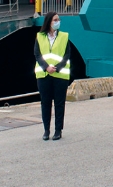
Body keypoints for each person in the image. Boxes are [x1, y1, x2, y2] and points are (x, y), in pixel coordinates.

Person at [34, 12, 71, 141]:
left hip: (60, 74)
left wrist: (57, 68)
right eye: (55, 20)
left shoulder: (64, 36)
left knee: (59, 103)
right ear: (49, 21)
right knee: (46, 103)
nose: (58, 22)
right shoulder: (39, 36)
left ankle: (58, 130)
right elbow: (37, 54)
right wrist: (46, 67)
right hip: (44, 75)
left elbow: (67, 55)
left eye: (58, 20)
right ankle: (46, 131)